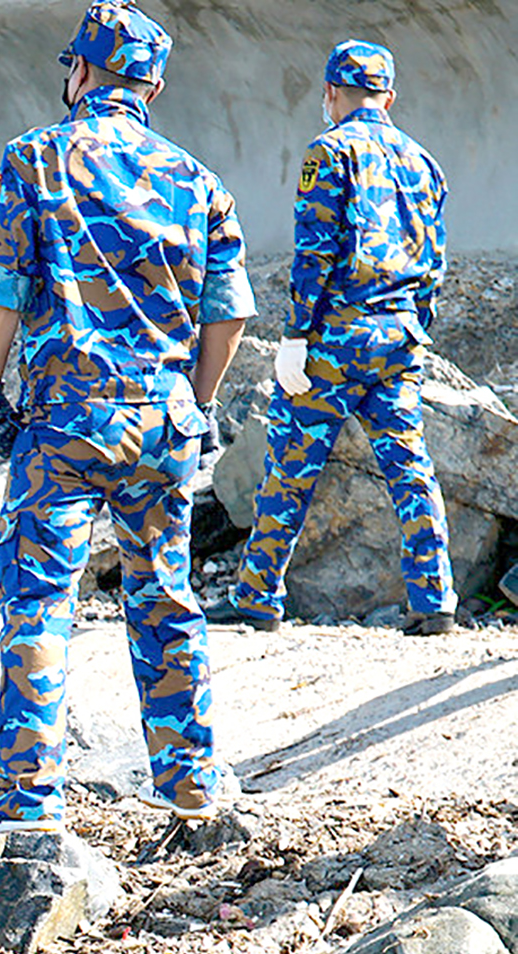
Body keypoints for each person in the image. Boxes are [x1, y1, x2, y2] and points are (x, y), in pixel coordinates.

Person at [0, 1, 253, 831]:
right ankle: (192, 783)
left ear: (81, 71)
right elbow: (229, 316)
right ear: (155, 85)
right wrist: (196, 405)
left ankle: (28, 796)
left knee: (39, 599)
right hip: (162, 426)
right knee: (164, 596)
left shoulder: (37, 159)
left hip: (65, 424)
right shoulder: (199, 181)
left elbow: (1, 291)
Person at [208, 40, 454, 637]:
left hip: (335, 340)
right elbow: (435, 260)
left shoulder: (329, 151)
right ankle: (435, 598)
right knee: (410, 467)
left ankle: (259, 595)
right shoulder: (423, 161)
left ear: (330, 92)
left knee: (292, 466)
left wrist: (296, 336)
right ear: (389, 96)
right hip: (398, 337)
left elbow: (315, 251)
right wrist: (415, 324)